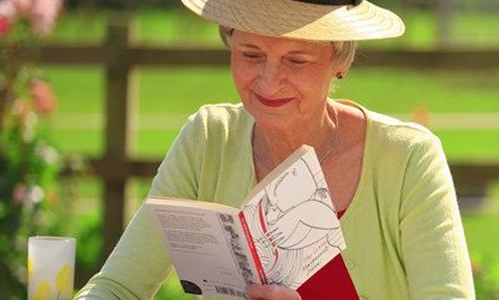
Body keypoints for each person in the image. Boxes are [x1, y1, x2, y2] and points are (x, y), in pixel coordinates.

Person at [74, 0, 475, 298]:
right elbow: (118, 286)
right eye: (251, 55)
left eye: (296, 60)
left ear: (340, 60)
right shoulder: (209, 138)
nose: (268, 82)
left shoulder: (407, 159)